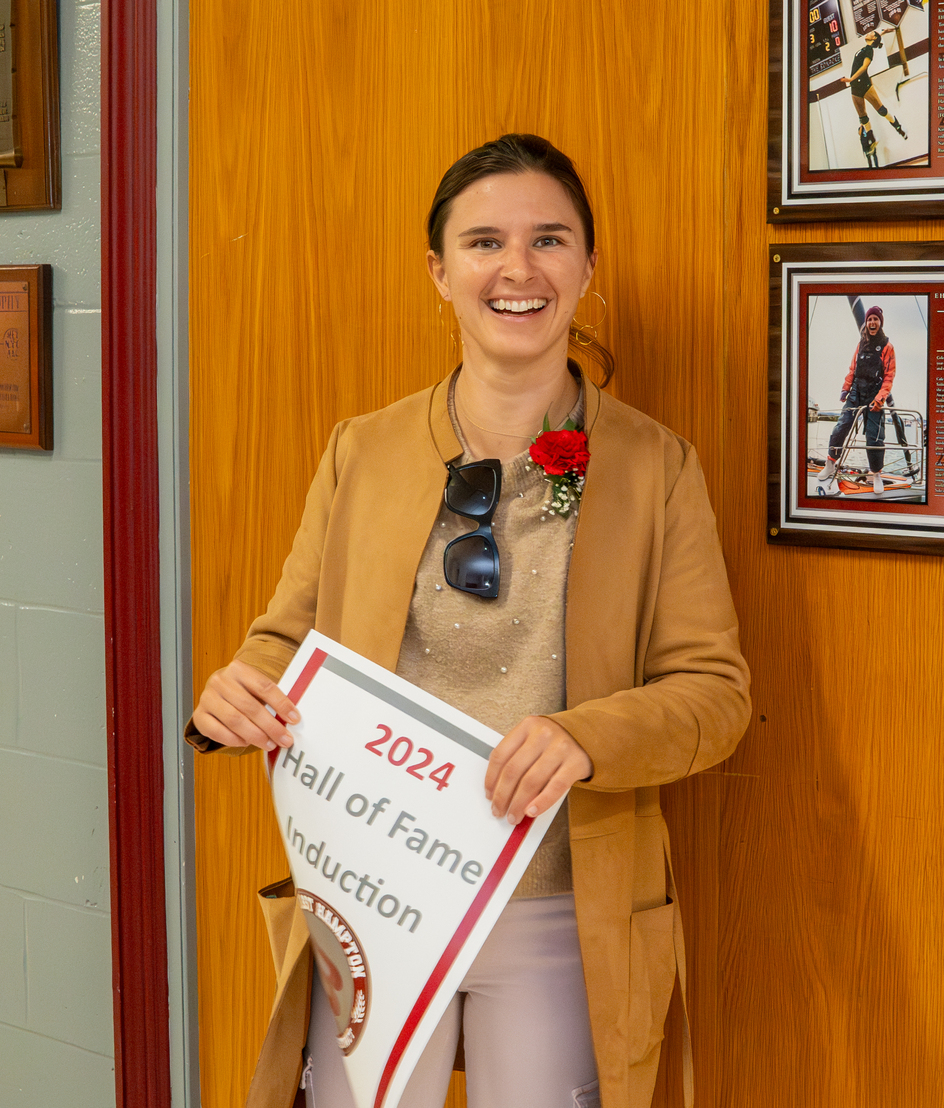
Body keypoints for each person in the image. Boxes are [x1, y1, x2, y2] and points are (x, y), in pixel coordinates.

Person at [186, 134, 751, 1108]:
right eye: (485, 241)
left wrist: (585, 736)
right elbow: (287, 637)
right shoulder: (360, 450)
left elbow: (716, 694)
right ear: (440, 272)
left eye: (549, 239)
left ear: (587, 267)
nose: (518, 269)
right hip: (374, 899)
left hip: (559, 907)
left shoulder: (658, 468)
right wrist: (239, 686)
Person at [818, 304, 896, 494]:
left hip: (874, 396)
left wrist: (880, 399)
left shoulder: (887, 346)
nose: (872, 322)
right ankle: (830, 463)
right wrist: (845, 389)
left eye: (875, 319)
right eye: (869, 319)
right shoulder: (860, 344)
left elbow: (889, 376)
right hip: (856, 392)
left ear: (880, 323)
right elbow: (852, 369)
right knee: (841, 426)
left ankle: (876, 473)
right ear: (867, 322)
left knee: (874, 436)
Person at [841, 30, 907, 167]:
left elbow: (865, 67)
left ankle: (897, 125)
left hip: (863, 83)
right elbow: (877, 37)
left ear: (873, 38)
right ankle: (871, 139)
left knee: (881, 110)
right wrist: (884, 32)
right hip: (855, 87)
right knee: (862, 117)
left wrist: (851, 78)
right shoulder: (867, 47)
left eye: (871, 33)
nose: (868, 33)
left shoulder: (869, 51)